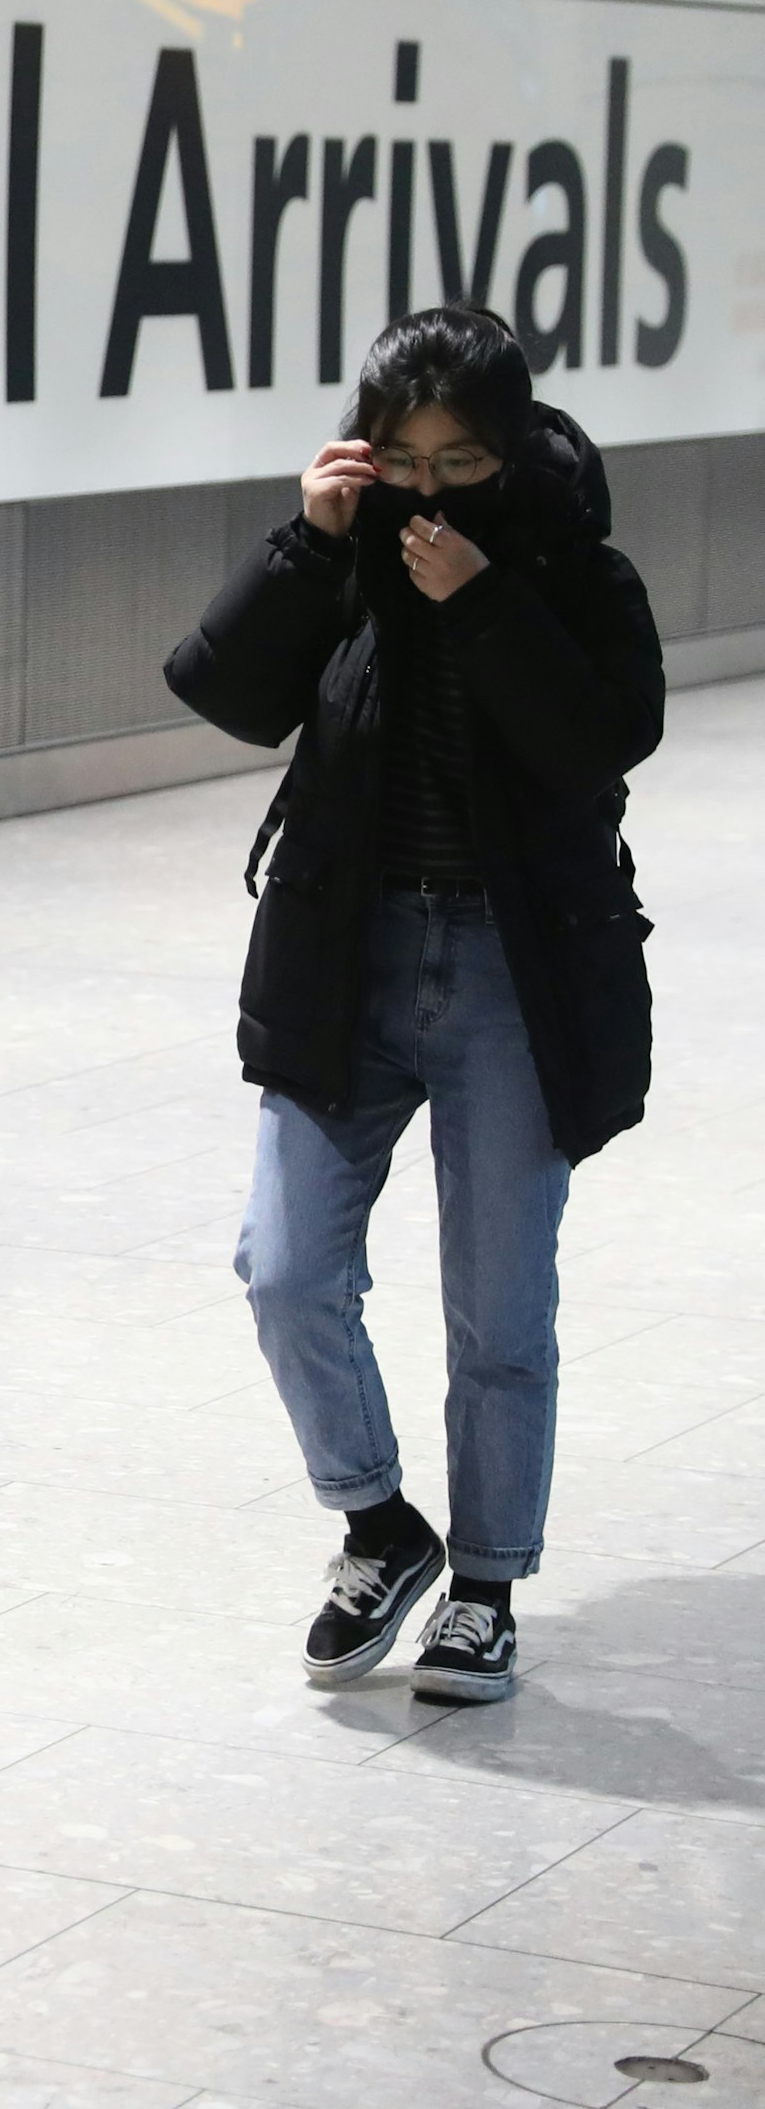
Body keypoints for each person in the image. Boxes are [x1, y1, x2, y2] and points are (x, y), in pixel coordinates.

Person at [165, 306, 660, 1706]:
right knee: (283, 1266)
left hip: (513, 971)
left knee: (501, 1304)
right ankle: (381, 1523)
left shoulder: (572, 570)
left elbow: (600, 741)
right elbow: (218, 691)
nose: (428, 489)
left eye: (459, 460)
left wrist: (485, 601)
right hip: (347, 957)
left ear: (508, 452)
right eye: (402, 457)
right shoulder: (343, 557)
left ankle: (488, 1588)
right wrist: (307, 544)